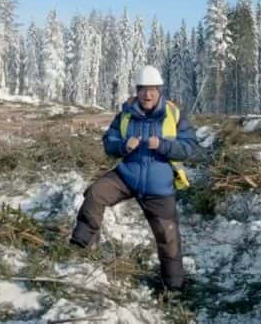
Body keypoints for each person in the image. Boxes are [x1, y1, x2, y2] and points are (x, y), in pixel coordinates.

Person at [70, 65, 198, 291]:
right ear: (137, 91)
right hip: (126, 177)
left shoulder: (174, 115)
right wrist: (122, 146)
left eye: (152, 89)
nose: (148, 94)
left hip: (159, 187)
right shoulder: (125, 115)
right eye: (143, 89)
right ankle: (78, 249)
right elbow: (109, 144)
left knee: (168, 239)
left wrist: (164, 146)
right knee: (96, 193)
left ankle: (174, 288)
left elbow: (189, 148)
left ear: (159, 90)